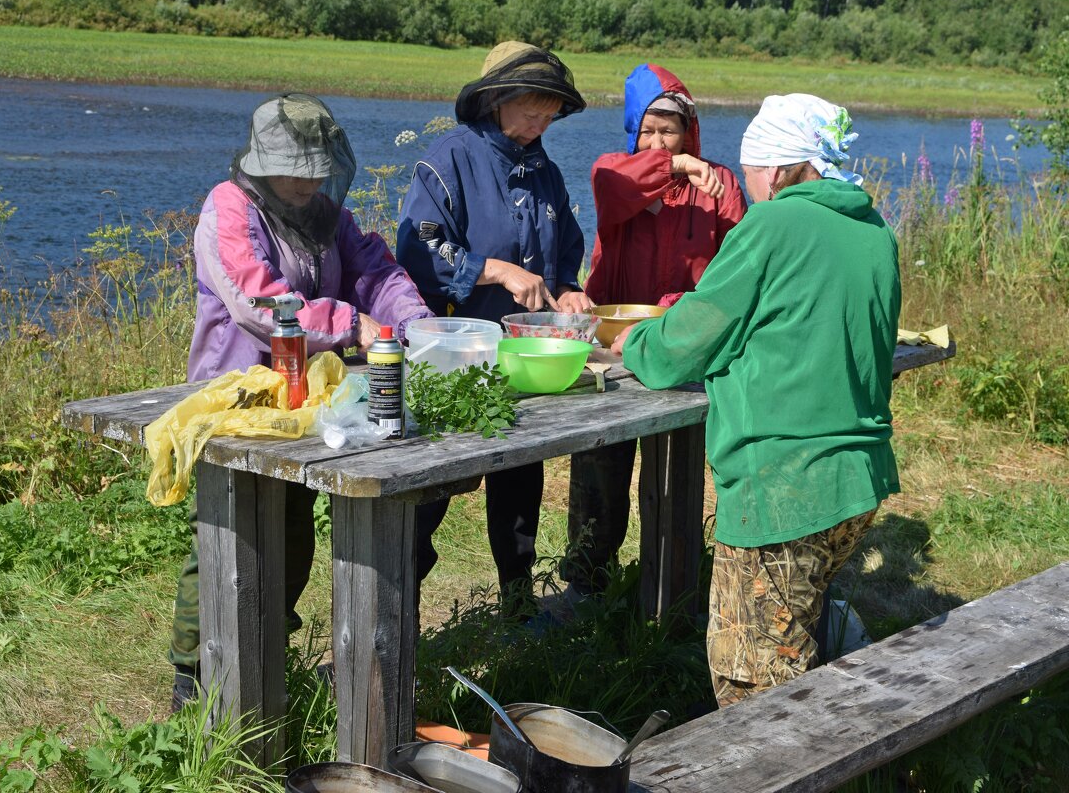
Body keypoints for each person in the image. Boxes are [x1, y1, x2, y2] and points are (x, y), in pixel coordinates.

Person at [612, 94, 900, 707]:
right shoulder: (874, 230)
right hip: (858, 478)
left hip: (784, 487)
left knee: (755, 688)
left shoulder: (770, 226)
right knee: (794, 642)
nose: (749, 188)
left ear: (773, 170)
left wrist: (630, 341)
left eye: (749, 175)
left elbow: (681, 346)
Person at [170, 93, 434, 711]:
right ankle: (194, 671)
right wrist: (353, 325)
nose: (305, 179)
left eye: (315, 167)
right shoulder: (228, 208)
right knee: (227, 534)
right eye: (292, 166)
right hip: (232, 398)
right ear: (260, 162)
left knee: (293, 536)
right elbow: (257, 301)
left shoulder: (327, 216)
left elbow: (378, 274)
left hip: (306, 403)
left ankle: (264, 654)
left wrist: (416, 324)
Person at [395, 41, 591, 617]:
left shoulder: (546, 171)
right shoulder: (450, 157)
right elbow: (417, 248)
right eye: (532, 111)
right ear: (497, 100)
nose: (541, 124)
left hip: (524, 362)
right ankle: (391, 619)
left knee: (520, 484)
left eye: (549, 115)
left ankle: (517, 604)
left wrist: (569, 287)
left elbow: (561, 257)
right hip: (452, 356)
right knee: (426, 492)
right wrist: (492, 269)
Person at [562, 64, 748, 598]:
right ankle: (586, 584)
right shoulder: (615, 173)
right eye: (649, 130)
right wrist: (679, 164)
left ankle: (668, 586)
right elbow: (611, 184)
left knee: (672, 471)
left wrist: (674, 309)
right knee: (600, 465)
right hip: (612, 345)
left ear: (690, 130)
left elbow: (732, 266)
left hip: (683, 343)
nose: (659, 141)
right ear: (632, 132)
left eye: (671, 130)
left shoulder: (720, 185)